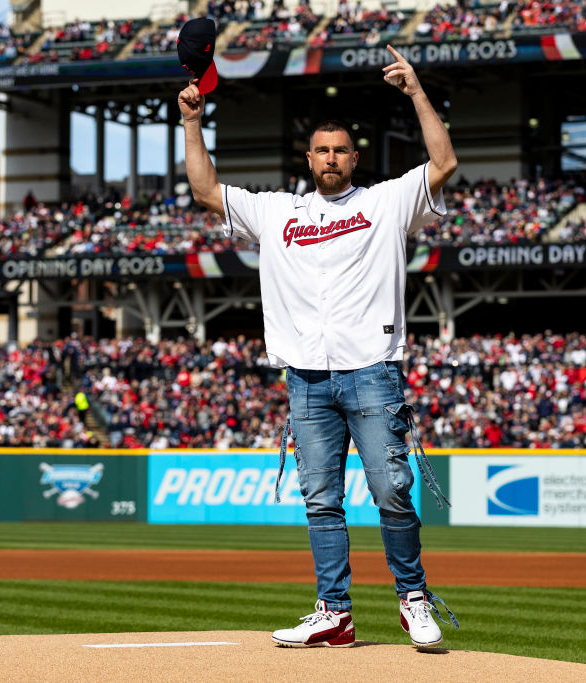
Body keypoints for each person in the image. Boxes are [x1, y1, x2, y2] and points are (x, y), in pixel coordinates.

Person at [178, 44, 458, 649]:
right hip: (304, 377)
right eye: (322, 150)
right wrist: (192, 123)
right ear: (308, 158)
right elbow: (206, 191)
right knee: (321, 499)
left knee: (391, 489)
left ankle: (413, 599)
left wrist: (415, 92)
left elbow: (443, 162)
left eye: (341, 151)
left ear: (356, 158)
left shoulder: (385, 201)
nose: (331, 158)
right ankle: (334, 612)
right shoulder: (277, 212)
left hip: (373, 372)